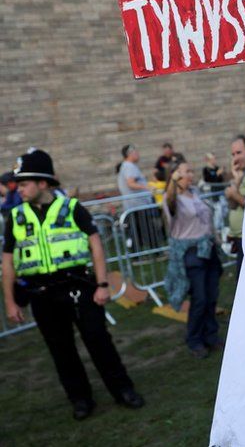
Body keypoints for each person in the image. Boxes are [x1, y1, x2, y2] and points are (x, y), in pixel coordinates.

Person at [1, 150, 144, 420]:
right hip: (41, 294)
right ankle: (80, 399)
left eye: (23, 183)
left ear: (42, 183)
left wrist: (102, 284)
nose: (18, 189)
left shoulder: (71, 208)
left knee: (99, 342)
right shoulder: (16, 217)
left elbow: (96, 244)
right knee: (61, 351)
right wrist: (9, 301)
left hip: (79, 287)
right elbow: (7, 261)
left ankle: (123, 389)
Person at [162, 160, 223, 359]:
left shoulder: (195, 193)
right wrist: (172, 183)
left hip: (208, 249)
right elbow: (169, 206)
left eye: (191, 170)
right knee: (200, 298)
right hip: (191, 253)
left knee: (212, 296)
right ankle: (194, 339)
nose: (191, 174)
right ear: (176, 176)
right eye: (186, 171)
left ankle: (211, 336)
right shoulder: (172, 199)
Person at [225, 136, 245, 277]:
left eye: (238, 153)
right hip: (240, 239)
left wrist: (234, 194)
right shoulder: (242, 174)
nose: (235, 158)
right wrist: (236, 180)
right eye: (233, 154)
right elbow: (231, 205)